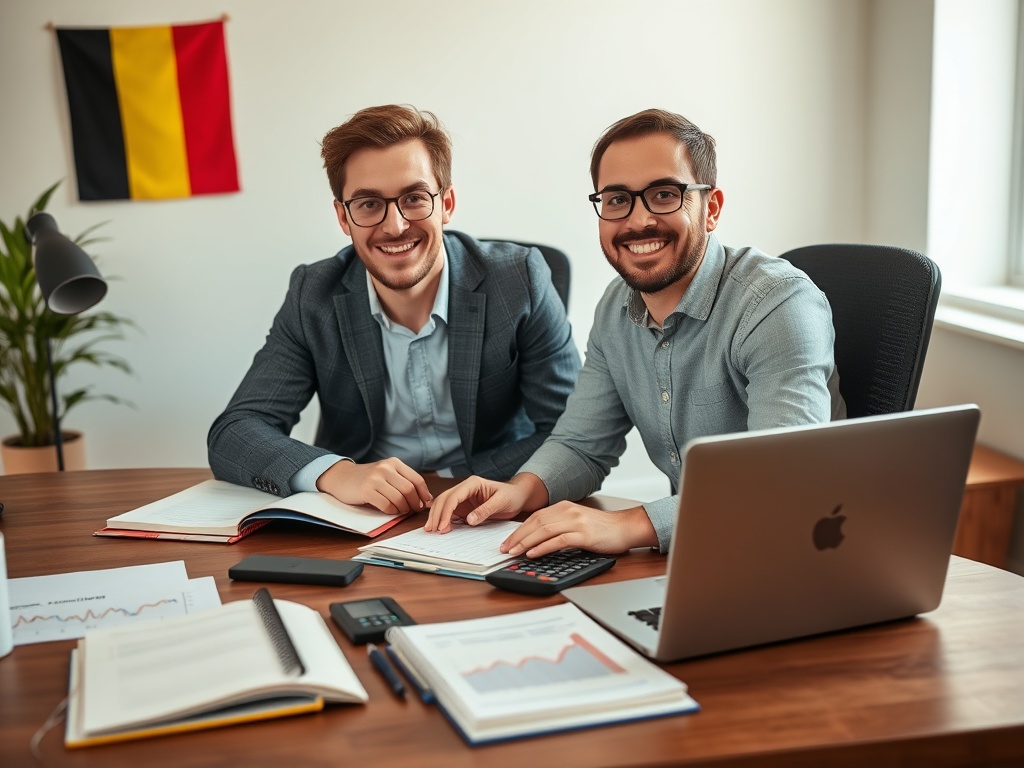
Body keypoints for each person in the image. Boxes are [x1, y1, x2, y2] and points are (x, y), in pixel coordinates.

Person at [426, 108, 846, 555]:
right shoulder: (615, 306)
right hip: (703, 547)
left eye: (664, 194)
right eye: (617, 199)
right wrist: (519, 492)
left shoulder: (776, 304)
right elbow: (582, 445)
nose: (638, 220)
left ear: (712, 208)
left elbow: (781, 480)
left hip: (805, 551)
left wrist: (628, 525)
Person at [208, 105, 580, 515]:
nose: (395, 225)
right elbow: (235, 432)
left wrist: (464, 480)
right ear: (343, 218)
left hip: (489, 504)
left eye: (414, 198)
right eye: (368, 204)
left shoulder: (517, 280)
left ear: (447, 203)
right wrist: (338, 474)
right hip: (366, 513)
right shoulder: (313, 294)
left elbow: (574, 431)